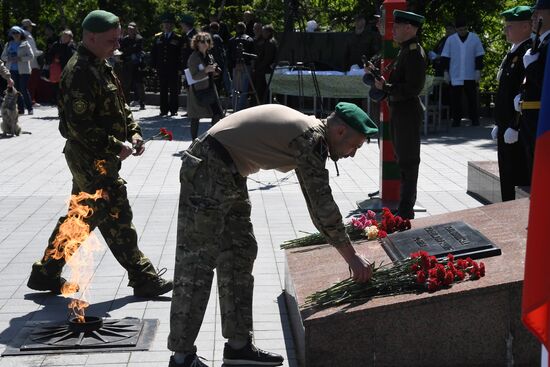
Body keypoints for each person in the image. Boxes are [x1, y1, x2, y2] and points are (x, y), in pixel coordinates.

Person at [167, 102, 377, 367]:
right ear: (340, 132)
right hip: (208, 168)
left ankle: (238, 346)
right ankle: (182, 358)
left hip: (228, 171)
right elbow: (320, 205)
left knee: (239, 253)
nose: (352, 154)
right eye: (354, 146)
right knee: (197, 264)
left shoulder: (313, 133)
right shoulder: (311, 138)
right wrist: (352, 257)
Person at [26, 10, 173, 298]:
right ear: (91, 37)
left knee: (81, 218)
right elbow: (79, 126)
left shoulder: (100, 64)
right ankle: (143, 276)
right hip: (89, 157)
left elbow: (121, 105)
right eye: (111, 40)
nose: (116, 45)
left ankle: (45, 272)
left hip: (101, 156)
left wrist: (133, 133)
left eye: (118, 38)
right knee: (117, 210)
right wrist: (115, 146)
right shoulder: (79, 71)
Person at [368, 10, 426, 219]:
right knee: (402, 159)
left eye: (397, 26)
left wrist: (387, 87)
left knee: (408, 161)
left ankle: (406, 208)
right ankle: (404, 206)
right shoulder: (404, 50)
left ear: (409, 28)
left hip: (407, 112)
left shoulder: (414, 52)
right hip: (400, 111)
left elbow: (412, 88)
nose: (393, 30)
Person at [492, 6, 533, 201]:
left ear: (526, 26)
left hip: (516, 130)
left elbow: (524, 93)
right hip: (505, 125)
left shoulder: (529, 52)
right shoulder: (514, 52)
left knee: (517, 177)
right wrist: (499, 124)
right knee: (506, 177)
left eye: (509, 26)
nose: (505, 31)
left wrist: (515, 125)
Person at [514, 0, 550, 180]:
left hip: (542, 118)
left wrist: (531, 67)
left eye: (539, 13)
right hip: (532, 116)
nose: (534, 17)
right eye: (533, 14)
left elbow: (545, 82)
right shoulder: (541, 42)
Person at [441, 18, 485, 127]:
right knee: (455, 99)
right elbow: (445, 57)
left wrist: (478, 70)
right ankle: (456, 120)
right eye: (460, 30)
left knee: (472, 98)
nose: (463, 31)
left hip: (470, 74)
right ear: (456, 29)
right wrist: (445, 72)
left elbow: (479, 55)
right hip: (455, 74)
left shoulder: (474, 38)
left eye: (464, 29)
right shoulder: (451, 40)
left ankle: (474, 119)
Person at [186, 32, 224, 140]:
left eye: (207, 41)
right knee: (195, 117)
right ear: (197, 43)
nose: (205, 43)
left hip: (210, 88)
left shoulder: (209, 55)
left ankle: (211, 138)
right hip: (197, 91)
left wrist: (215, 71)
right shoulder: (193, 57)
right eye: (202, 41)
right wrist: (206, 70)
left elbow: (214, 69)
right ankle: (194, 141)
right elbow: (194, 76)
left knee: (217, 114)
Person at [150, 13, 182, 117]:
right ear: (163, 25)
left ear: (172, 25)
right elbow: (154, 53)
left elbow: (180, 54)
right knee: (163, 89)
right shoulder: (158, 37)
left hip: (173, 68)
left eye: (169, 24)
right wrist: (153, 66)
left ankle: (173, 109)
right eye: (165, 24)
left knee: (174, 90)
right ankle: (163, 110)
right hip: (162, 68)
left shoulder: (177, 38)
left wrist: (180, 68)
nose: (167, 26)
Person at [1, 26, 34, 115]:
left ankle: (30, 108)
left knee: (23, 89)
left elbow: (31, 56)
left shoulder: (25, 43)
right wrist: (9, 58)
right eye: (13, 33)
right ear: (11, 35)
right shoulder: (8, 44)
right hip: (12, 70)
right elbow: (2, 57)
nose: (15, 35)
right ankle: (20, 109)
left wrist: (20, 59)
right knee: (16, 90)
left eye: (17, 33)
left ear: (21, 34)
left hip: (24, 71)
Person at [227, 22, 254, 111]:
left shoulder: (232, 40)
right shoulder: (249, 40)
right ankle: (240, 108)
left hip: (235, 66)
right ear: (245, 29)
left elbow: (229, 55)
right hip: (246, 65)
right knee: (244, 88)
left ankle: (235, 107)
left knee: (235, 87)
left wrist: (233, 65)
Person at [119, 22, 146, 109]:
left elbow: (137, 49)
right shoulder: (124, 40)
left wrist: (128, 51)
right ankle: (126, 103)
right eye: (129, 29)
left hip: (137, 64)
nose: (130, 30)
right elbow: (121, 51)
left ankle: (142, 102)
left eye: (132, 29)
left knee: (139, 84)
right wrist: (128, 52)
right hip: (127, 64)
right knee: (126, 85)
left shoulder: (139, 39)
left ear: (135, 29)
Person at [45, 29, 76, 104]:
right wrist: (54, 59)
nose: (64, 38)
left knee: (67, 90)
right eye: (63, 36)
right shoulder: (56, 45)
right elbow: (48, 55)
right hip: (56, 72)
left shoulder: (72, 46)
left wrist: (69, 47)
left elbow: (73, 57)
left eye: (67, 36)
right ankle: (60, 107)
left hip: (68, 72)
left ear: (70, 38)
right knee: (57, 90)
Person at [252, 24, 277, 104]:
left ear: (269, 33)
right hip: (264, 69)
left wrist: (259, 67)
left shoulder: (270, 43)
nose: (262, 33)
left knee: (262, 89)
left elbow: (267, 58)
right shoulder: (267, 41)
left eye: (264, 32)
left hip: (264, 70)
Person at [21, 18, 43, 106]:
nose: (31, 28)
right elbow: (33, 51)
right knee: (32, 82)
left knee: (23, 83)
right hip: (32, 63)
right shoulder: (28, 35)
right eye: (30, 26)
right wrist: (42, 53)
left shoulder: (19, 34)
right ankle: (31, 101)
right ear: (28, 27)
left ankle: (24, 101)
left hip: (22, 62)